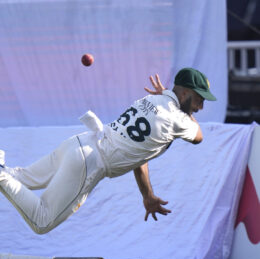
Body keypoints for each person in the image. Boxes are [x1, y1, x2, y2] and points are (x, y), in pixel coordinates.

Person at [0, 67, 216, 234]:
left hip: (80, 141)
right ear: (185, 92)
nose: (201, 107)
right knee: (42, 221)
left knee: (20, 178)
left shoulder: (151, 99)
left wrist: (147, 195)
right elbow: (199, 137)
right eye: (199, 99)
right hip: (89, 163)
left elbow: (139, 156)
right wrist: (182, 108)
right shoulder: (179, 119)